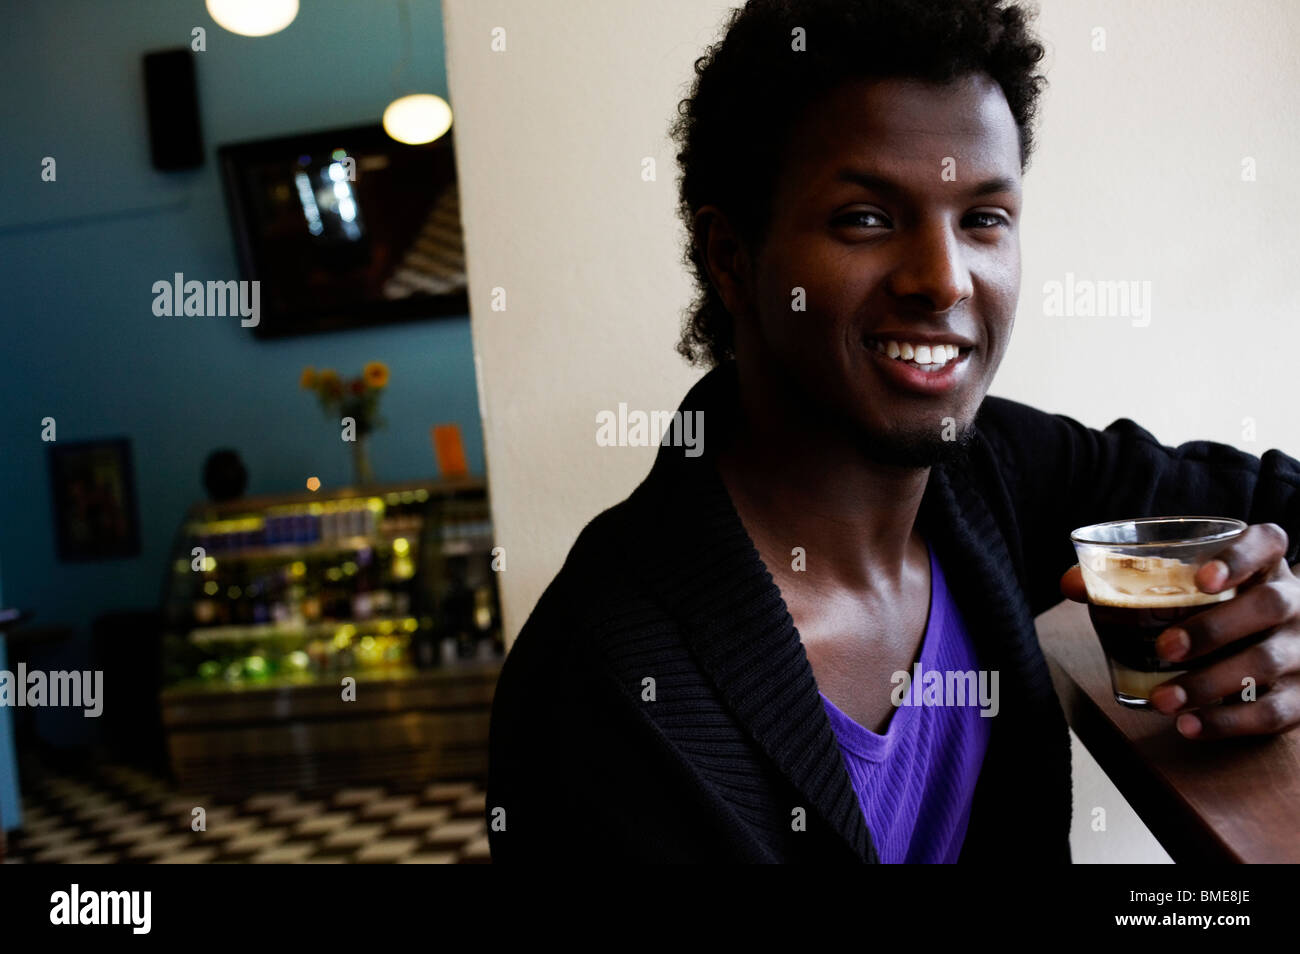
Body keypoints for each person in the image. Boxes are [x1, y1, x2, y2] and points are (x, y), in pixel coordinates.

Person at [487, 0, 1300, 863]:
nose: (944, 279)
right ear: (732, 258)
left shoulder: (995, 475)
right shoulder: (601, 689)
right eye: (867, 219)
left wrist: (1275, 619)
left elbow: (1275, 503)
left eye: (984, 218)